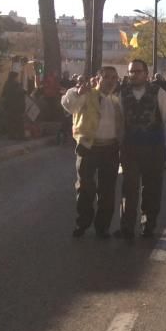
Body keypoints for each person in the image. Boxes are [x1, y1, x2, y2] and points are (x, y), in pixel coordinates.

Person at [115, 60, 166, 240]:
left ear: (146, 73)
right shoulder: (123, 94)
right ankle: (127, 226)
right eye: (131, 72)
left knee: (151, 188)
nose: (134, 75)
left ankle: (148, 224)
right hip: (130, 148)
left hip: (153, 148)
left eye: (138, 71)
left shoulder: (157, 92)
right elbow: (118, 120)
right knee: (129, 188)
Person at [60, 66, 123, 238]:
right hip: (89, 147)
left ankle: (102, 228)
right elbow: (68, 105)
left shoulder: (116, 101)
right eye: (107, 77)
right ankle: (83, 223)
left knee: (107, 190)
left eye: (114, 77)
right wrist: (77, 92)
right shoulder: (87, 95)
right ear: (99, 78)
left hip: (110, 149)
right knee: (85, 186)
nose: (110, 80)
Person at [0, 71, 26, 139]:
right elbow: (20, 94)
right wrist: (23, 91)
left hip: (9, 106)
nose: (17, 78)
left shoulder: (7, 84)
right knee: (19, 122)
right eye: (17, 77)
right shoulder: (16, 84)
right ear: (14, 77)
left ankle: (11, 135)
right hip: (16, 106)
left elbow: (3, 95)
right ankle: (21, 136)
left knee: (11, 122)